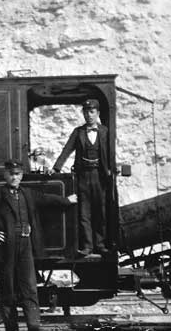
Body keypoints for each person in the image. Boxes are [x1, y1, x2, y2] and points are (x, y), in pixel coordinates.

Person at [0, 159, 76, 331]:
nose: (14, 177)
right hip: (6, 248)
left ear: (21, 175)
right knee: (8, 291)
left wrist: (67, 200)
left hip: (26, 246)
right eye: (11, 174)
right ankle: (12, 328)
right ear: (5, 174)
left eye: (17, 174)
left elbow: (47, 199)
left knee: (30, 288)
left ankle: (34, 327)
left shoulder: (28, 193)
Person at [51, 99, 110, 257]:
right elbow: (67, 150)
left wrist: (112, 169)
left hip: (99, 176)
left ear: (97, 113)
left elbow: (111, 152)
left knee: (100, 212)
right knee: (84, 213)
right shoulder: (78, 132)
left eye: (92, 112)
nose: (89, 115)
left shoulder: (105, 132)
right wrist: (56, 167)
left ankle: (100, 244)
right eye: (86, 112)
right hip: (83, 177)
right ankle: (88, 246)